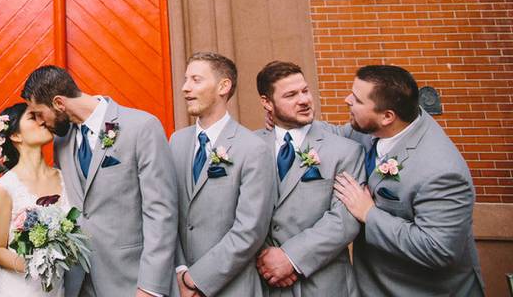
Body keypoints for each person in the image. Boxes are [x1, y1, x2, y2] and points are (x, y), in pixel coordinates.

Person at [21, 65, 177, 297]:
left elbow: (161, 212)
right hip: (78, 282)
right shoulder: (61, 143)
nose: (40, 122)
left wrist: (151, 287)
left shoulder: (141, 127)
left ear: (59, 103)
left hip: (131, 280)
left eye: (39, 113)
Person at [332, 65, 485, 296]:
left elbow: (438, 250)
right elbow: (334, 135)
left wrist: (369, 214)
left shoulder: (441, 171)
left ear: (387, 117)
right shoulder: (378, 125)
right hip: (374, 284)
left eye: (357, 99)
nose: (347, 100)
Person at [252, 61, 363, 296]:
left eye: (305, 91)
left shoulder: (345, 150)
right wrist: (266, 258)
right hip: (263, 283)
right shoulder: (249, 147)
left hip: (324, 285)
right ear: (266, 103)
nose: (303, 100)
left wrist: (291, 258)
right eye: (291, 95)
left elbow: (344, 220)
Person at [170, 52, 274, 297]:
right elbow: (166, 212)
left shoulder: (252, 148)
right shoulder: (176, 141)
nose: (185, 88)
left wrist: (195, 278)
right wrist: (180, 270)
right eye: (186, 80)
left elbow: (250, 229)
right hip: (177, 286)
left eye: (196, 80)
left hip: (233, 287)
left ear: (223, 86)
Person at [0, 102, 71, 296]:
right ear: (15, 136)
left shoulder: (65, 178)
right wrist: (37, 265)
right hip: (20, 288)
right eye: (33, 117)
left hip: (58, 288)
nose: (43, 121)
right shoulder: (5, 188)